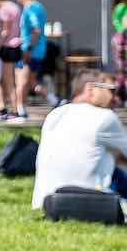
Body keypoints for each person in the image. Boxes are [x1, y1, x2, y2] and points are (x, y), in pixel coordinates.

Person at [31, 69, 127, 209]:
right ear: (90, 89)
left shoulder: (55, 115)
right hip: (90, 204)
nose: (116, 98)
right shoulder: (105, 117)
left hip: (46, 202)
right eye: (112, 91)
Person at [13, 0, 57, 119]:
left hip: (30, 50)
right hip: (37, 50)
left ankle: (20, 112)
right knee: (31, 82)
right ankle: (55, 100)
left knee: (21, 81)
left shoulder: (30, 8)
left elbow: (36, 30)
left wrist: (27, 48)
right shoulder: (38, 7)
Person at [110, 0, 126, 103]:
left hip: (119, 38)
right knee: (122, 71)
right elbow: (122, 23)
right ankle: (115, 96)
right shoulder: (122, 7)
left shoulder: (118, 7)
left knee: (121, 71)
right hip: (122, 39)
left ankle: (116, 97)